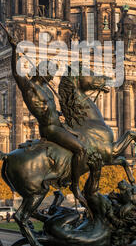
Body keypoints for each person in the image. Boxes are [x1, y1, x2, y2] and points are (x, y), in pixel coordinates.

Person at [8, 32, 90, 208]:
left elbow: (50, 109)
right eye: (51, 73)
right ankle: (75, 187)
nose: (53, 77)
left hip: (58, 124)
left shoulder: (46, 88)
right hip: (51, 129)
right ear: (42, 72)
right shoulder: (30, 88)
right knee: (81, 150)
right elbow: (16, 72)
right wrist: (15, 48)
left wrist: (59, 114)